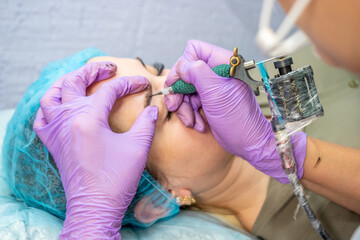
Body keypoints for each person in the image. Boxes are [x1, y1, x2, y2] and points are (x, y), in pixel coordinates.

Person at [21, 40, 358, 239]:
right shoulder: (306, 223)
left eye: (155, 69)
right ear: (159, 198)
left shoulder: (262, 88)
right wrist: (284, 153)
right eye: (161, 112)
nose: (179, 82)